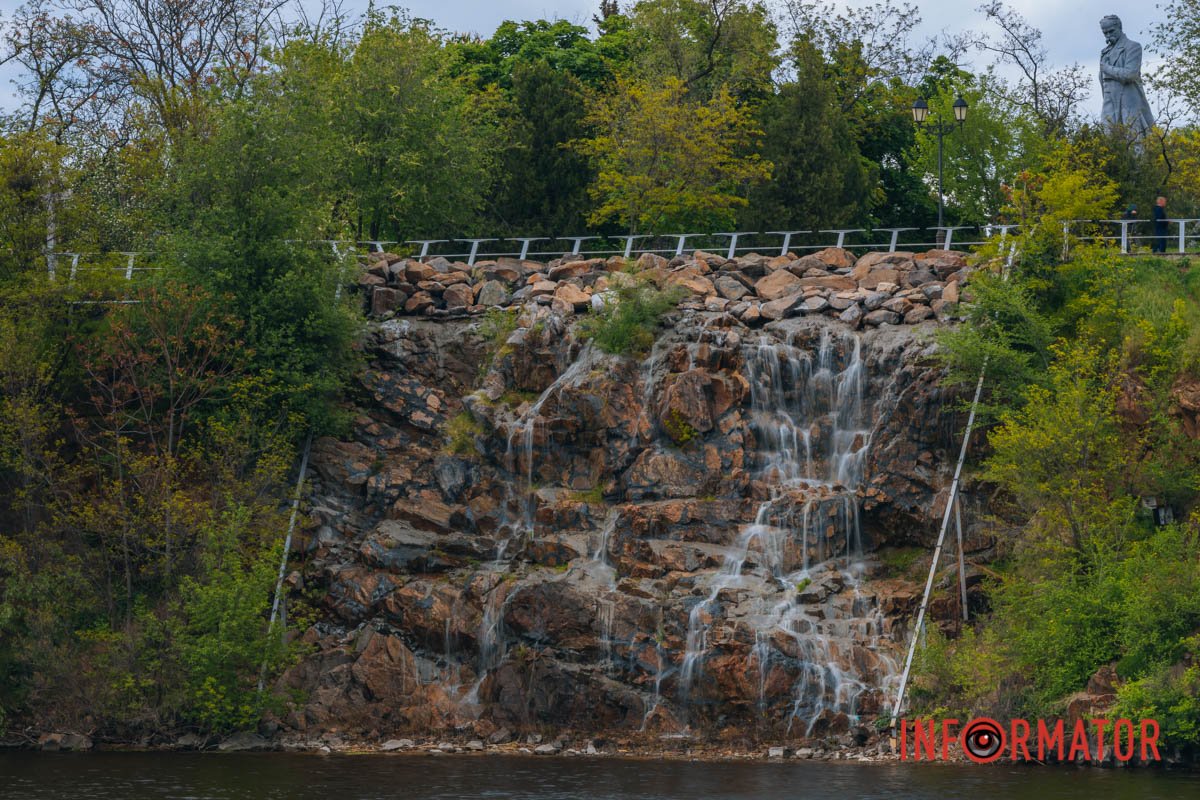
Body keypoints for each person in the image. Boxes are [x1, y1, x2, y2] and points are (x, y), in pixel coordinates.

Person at [1099, 15, 1155, 132]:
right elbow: (1102, 80)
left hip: (1128, 99)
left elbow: (1130, 74)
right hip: (1109, 101)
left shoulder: (1132, 47)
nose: (1108, 35)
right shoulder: (1105, 52)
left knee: (1134, 137)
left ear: (1119, 27)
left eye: (1111, 31)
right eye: (1105, 33)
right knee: (1107, 135)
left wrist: (1107, 68)